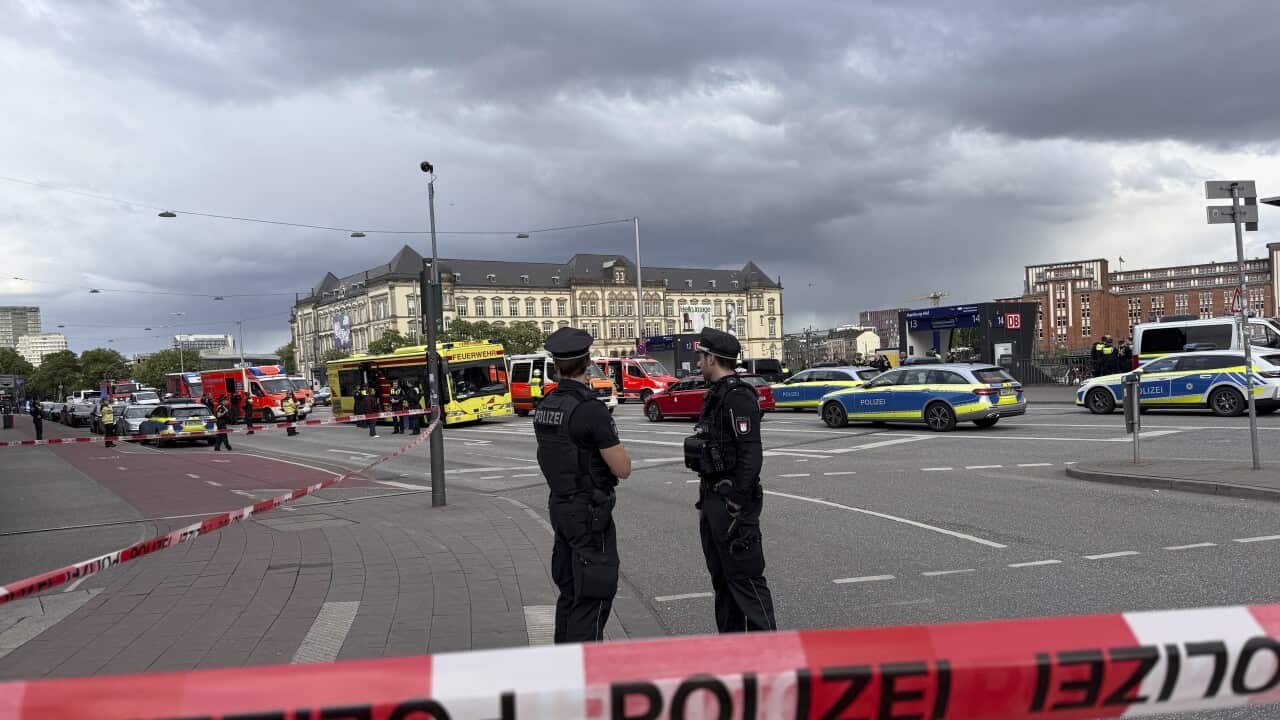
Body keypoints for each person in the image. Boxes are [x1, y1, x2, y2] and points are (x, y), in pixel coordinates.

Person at [534, 327, 632, 643]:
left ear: (556, 365)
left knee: (571, 591)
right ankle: (584, 665)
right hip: (589, 512)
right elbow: (622, 468)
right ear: (588, 363)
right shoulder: (590, 409)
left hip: (560, 506)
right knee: (593, 595)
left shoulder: (546, 405)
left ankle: (564, 660)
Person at [686, 327, 776, 633]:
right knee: (723, 581)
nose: (698, 363)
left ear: (712, 358)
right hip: (713, 498)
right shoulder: (717, 394)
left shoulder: (738, 397)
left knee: (746, 581)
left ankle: (768, 653)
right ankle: (732, 649)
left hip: (731, 504)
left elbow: (751, 453)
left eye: (701, 357)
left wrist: (736, 500)